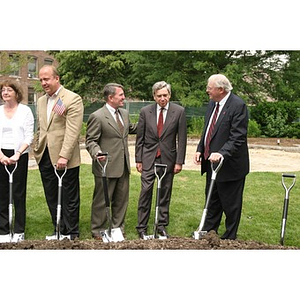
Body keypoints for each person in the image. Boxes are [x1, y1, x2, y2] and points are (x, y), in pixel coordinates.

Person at [193, 74, 249, 240]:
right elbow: (208, 128)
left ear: (220, 89)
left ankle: (230, 238)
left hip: (230, 166)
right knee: (212, 201)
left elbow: (238, 136)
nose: (207, 90)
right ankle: (209, 232)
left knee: (231, 205)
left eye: (209, 88)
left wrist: (222, 153)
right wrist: (200, 148)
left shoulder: (238, 105)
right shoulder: (213, 103)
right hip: (212, 164)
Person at [34, 65, 84, 240]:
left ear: (57, 78)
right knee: (51, 194)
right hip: (44, 154)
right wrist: (36, 148)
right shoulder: (41, 101)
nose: (43, 83)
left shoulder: (72, 98)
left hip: (65, 156)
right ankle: (59, 229)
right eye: (41, 80)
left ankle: (71, 232)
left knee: (69, 195)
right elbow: (41, 128)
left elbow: (73, 130)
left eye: (46, 79)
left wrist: (64, 155)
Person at [135, 81, 187, 239]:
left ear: (170, 95)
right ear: (154, 96)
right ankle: (142, 227)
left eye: (165, 95)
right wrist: (139, 159)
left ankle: (161, 225)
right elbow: (140, 138)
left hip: (168, 159)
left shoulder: (179, 111)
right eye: (159, 96)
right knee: (145, 192)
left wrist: (179, 161)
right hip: (148, 157)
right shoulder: (145, 111)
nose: (162, 98)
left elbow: (182, 139)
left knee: (164, 192)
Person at [85, 83, 137, 240]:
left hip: (123, 165)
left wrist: (152, 121)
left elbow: (130, 128)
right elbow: (91, 141)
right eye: (121, 95)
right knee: (102, 200)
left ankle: (117, 228)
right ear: (110, 97)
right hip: (105, 165)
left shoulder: (124, 113)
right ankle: (98, 229)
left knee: (122, 199)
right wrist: (97, 153)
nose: (124, 97)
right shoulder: (98, 116)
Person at [0, 80, 34, 243]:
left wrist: (18, 154)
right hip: (1, 154)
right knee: (2, 193)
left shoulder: (25, 111)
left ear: (16, 93)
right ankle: (4, 230)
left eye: (9, 90)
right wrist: (1, 156)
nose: (5, 93)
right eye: (3, 90)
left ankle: (19, 229)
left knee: (18, 193)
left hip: (19, 154)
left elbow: (29, 136)